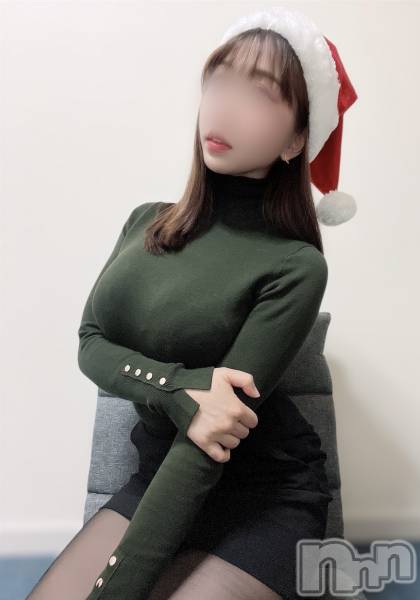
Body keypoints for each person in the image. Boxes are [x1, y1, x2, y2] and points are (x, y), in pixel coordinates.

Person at [26, 5, 358, 600]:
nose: (224, 107)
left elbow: (209, 441)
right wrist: (176, 388)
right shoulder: (145, 223)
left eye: (258, 93)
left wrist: (115, 587)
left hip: (262, 498)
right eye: (219, 81)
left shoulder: (295, 266)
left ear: (296, 140)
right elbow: (91, 343)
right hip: (158, 474)